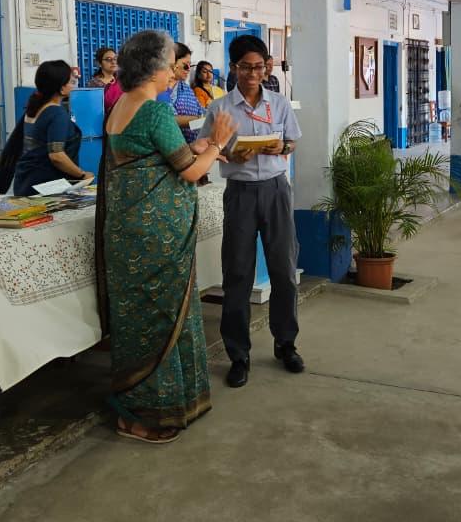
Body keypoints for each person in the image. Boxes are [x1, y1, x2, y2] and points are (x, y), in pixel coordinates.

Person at [95, 29, 235, 444]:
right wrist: (217, 144)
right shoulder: (155, 112)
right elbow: (190, 172)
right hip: (157, 239)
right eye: (172, 64)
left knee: (140, 321)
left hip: (129, 236)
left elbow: (159, 158)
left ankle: (160, 406)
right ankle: (146, 416)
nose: (175, 72)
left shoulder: (121, 105)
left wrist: (201, 146)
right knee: (160, 319)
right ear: (154, 67)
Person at [200, 34, 304, 389]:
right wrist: (230, 154)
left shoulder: (279, 103)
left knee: (283, 270)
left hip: (276, 191)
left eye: (259, 67)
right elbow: (207, 149)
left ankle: (286, 343)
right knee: (238, 273)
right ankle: (238, 355)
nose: (253, 74)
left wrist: (280, 147)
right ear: (233, 67)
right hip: (240, 193)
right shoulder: (220, 109)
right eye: (246, 67)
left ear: (267, 67)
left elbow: (292, 141)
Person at [13, 60, 91, 196]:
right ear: (61, 88)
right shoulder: (56, 113)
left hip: (25, 182)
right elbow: (57, 156)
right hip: (46, 186)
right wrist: (82, 174)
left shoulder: (33, 109)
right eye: (71, 82)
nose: (73, 86)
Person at [168, 42, 205, 143]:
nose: (188, 69)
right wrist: (201, 120)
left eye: (190, 65)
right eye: (185, 65)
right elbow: (169, 120)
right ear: (172, 63)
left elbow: (200, 111)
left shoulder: (186, 88)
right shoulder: (159, 88)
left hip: (192, 146)